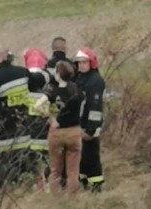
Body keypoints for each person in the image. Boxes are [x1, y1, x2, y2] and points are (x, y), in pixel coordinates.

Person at [0, 43, 31, 190]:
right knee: (26, 179)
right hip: (24, 133)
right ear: (7, 56)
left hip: (2, 138)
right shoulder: (23, 72)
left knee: (4, 181)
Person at [34, 60, 84, 196]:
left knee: (55, 168)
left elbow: (37, 106)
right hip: (74, 131)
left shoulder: (53, 91)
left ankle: (55, 199)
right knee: (73, 170)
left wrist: (50, 118)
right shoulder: (77, 91)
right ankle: (72, 197)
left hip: (56, 132)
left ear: (58, 73)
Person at [73, 47, 105, 191]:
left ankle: (96, 186)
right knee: (83, 158)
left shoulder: (95, 81)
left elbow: (95, 107)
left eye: (84, 62)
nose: (81, 65)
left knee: (91, 157)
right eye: (79, 63)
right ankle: (85, 184)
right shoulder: (80, 78)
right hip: (80, 125)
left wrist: (90, 130)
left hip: (90, 127)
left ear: (91, 63)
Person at [22, 47, 52, 190]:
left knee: (34, 157)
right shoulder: (48, 77)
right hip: (46, 122)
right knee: (47, 155)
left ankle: (39, 182)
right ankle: (49, 182)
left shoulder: (23, 78)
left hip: (30, 124)